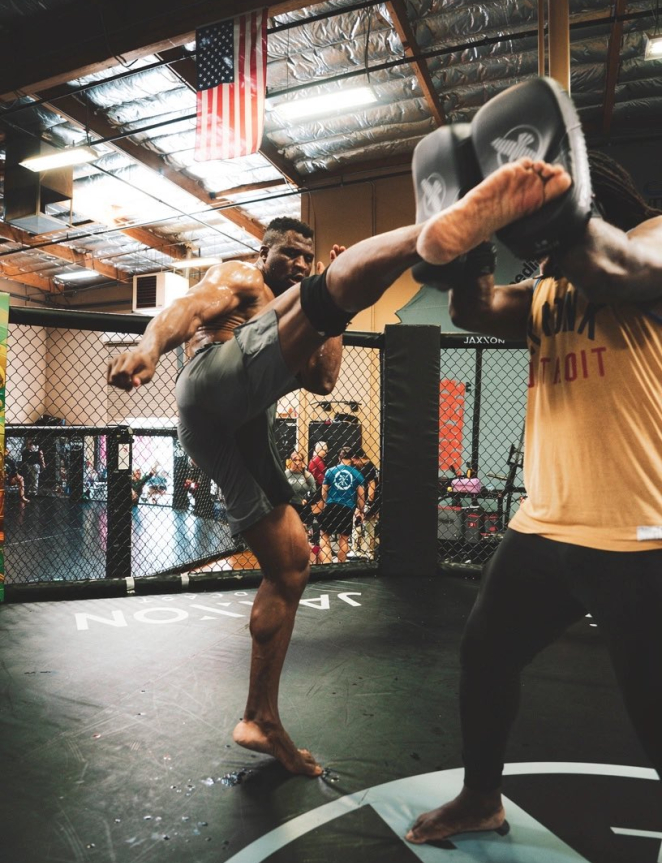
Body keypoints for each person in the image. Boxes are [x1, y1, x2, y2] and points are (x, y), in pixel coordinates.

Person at [108, 168, 571, 777]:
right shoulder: (241, 277)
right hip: (211, 384)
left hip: (232, 429)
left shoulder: (297, 314)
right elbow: (186, 306)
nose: (299, 264)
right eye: (289, 254)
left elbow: (325, 379)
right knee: (328, 292)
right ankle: (435, 229)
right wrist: (149, 346)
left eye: (307, 257)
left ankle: (260, 717)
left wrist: (337, 304)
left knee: (291, 563)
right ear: (263, 254)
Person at [406, 150, 662, 844]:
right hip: (545, 525)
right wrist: (467, 242)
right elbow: (474, 309)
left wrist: (542, 210)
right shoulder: (548, 287)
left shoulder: (649, 241)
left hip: (638, 531)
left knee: (653, 707)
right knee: (486, 656)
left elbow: (617, 270)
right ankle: (480, 798)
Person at [319, 446, 365, 563]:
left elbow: (323, 492)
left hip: (331, 505)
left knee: (324, 535)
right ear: (352, 458)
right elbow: (361, 497)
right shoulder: (357, 474)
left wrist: (325, 504)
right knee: (344, 539)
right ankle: (340, 566)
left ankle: (326, 565)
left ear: (339, 457)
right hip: (347, 508)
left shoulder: (330, 471)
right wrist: (361, 510)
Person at [350, 448, 379, 556]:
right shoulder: (371, 466)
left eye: (354, 461)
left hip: (367, 501)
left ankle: (357, 550)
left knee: (362, 523)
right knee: (368, 525)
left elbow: (372, 485)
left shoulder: (368, 468)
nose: (354, 464)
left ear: (359, 458)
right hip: (370, 501)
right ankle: (367, 551)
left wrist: (368, 503)